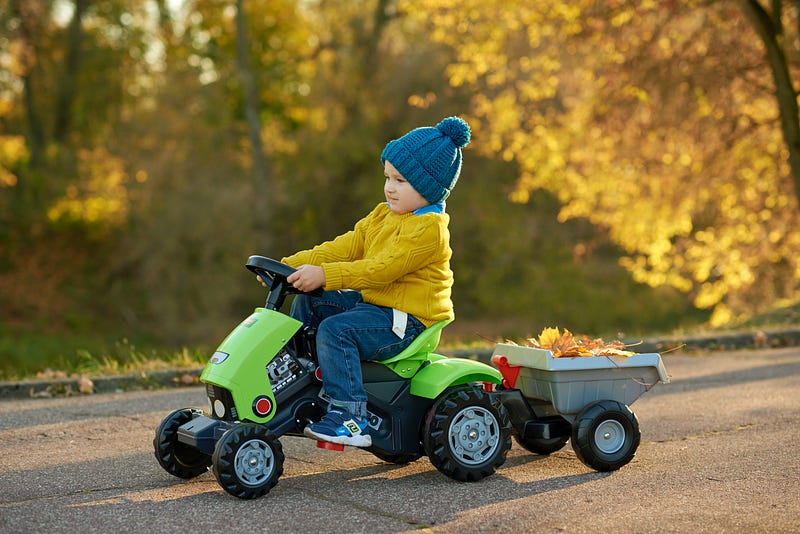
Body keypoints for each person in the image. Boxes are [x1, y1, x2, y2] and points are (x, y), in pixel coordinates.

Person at [270, 116, 470, 447]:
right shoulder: (384, 215)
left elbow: (380, 270)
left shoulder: (429, 230)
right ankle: (297, 376)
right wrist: (291, 265)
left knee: (336, 330)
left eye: (401, 180)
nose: (390, 187)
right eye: (387, 177)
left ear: (428, 186)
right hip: (377, 308)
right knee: (310, 299)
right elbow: (345, 246)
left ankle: (350, 417)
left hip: (408, 322)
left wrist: (326, 275)